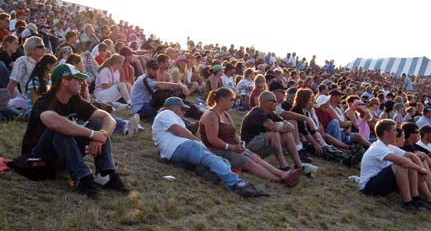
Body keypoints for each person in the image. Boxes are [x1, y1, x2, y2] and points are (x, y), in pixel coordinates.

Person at [21, 63, 129, 198]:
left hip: (62, 155)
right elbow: (53, 122)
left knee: (98, 122)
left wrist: (102, 135)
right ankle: (82, 177)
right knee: (60, 128)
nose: (82, 82)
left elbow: (107, 117)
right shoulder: (45, 101)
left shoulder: (74, 100)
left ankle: (105, 173)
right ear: (64, 81)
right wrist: (91, 134)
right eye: (77, 79)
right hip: (38, 160)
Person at [152, 96, 266, 197]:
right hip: (181, 147)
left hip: (174, 154)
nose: (184, 112)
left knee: (222, 161)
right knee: (211, 158)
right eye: (182, 109)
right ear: (173, 108)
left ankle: (214, 175)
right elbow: (179, 131)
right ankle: (237, 184)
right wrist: (198, 142)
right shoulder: (166, 113)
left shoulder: (172, 118)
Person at [199, 87, 302, 187]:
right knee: (250, 163)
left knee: (256, 158)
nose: (233, 102)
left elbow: (234, 134)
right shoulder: (211, 115)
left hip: (231, 148)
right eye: (231, 99)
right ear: (221, 100)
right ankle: (280, 180)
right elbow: (212, 140)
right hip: (217, 150)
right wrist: (232, 147)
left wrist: (240, 146)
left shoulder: (225, 115)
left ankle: (282, 173)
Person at [359, 119, 429, 213]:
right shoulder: (378, 147)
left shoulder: (387, 146)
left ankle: (415, 198)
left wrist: (421, 169)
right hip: (369, 187)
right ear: (386, 132)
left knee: (408, 162)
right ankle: (407, 203)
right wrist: (420, 169)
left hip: (379, 182)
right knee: (400, 166)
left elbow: (410, 155)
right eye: (394, 130)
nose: (396, 133)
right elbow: (400, 161)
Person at [240, 91, 318, 175]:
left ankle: (298, 165)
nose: (276, 103)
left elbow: (290, 127)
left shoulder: (270, 114)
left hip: (258, 146)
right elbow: (274, 127)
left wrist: (279, 125)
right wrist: (279, 126)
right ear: (265, 102)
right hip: (248, 149)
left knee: (286, 134)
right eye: (273, 101)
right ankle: (283, 166)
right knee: (274, 133)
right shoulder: (256, 113)